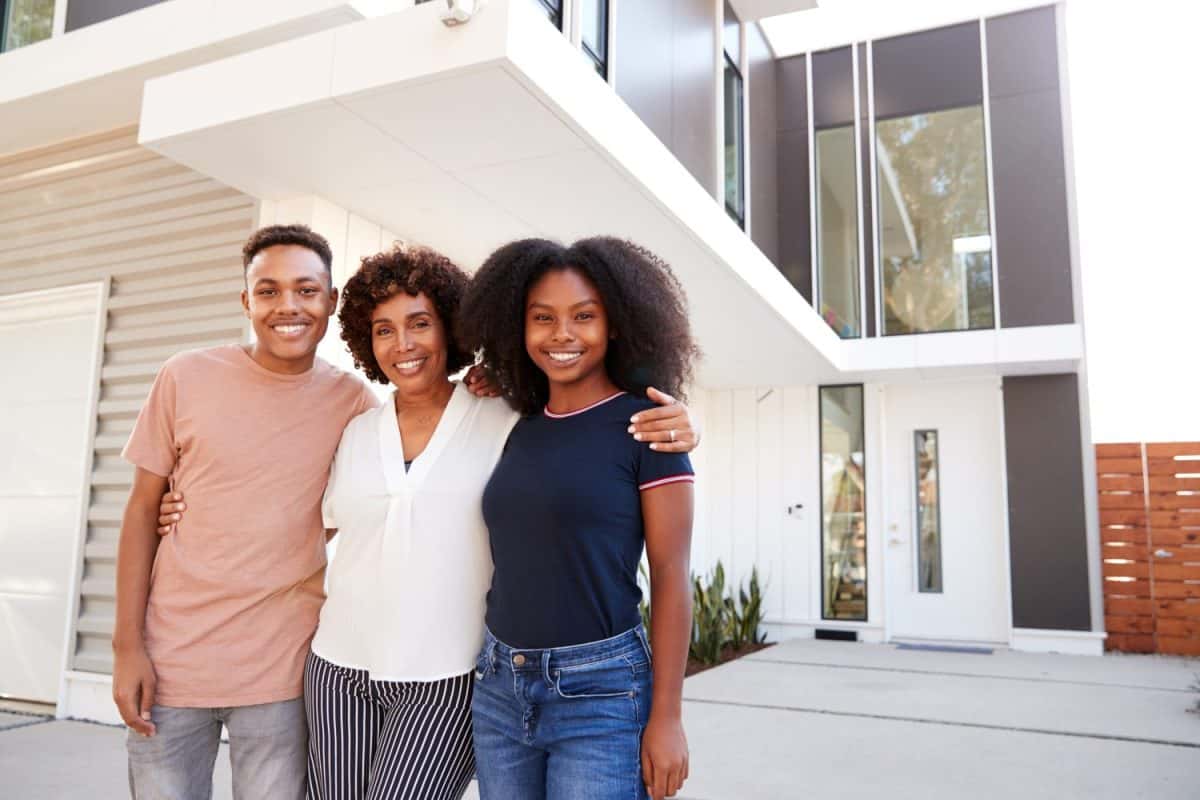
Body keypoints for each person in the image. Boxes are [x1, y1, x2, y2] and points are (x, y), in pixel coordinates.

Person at [152, 242, 699, 799]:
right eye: (384, 329)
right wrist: (180, 507)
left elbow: (592, 436)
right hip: (341, 665)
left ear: (452, 329)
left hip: (452, 675)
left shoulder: (506, 415)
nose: (403, 344)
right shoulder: (356, 426)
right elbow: (293, 515)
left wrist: (681, 421)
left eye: (420, 323)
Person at [113, 224, 377, 799]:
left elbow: (386, 489)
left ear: (330, 301)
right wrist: (127, 647)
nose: (289, 306)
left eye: (307, 290)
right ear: (246, 300)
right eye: (269, 290)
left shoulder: (354, 402)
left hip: (280, 672)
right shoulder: (184, 375)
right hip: (171, 662)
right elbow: (140, 511)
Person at [458, 237, 697, 800]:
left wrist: (667, 717)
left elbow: (671, 574)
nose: (562, 334)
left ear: (615, 324)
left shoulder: (649, 428)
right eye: (543, 318)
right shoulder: (509, 423)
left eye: (583, 317)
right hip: (498, 686)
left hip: (602, 693)